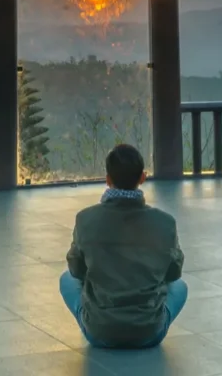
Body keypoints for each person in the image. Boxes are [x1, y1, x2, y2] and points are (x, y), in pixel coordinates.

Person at [61, 143, 187, 349]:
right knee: (180, 287)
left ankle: (99, 320)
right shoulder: (165, 222)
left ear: (108, 179)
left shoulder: (86, 219)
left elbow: (76, 270)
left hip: (99, 332)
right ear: (142, 178)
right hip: (149, 332)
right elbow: (174, 273)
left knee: (66, 279)